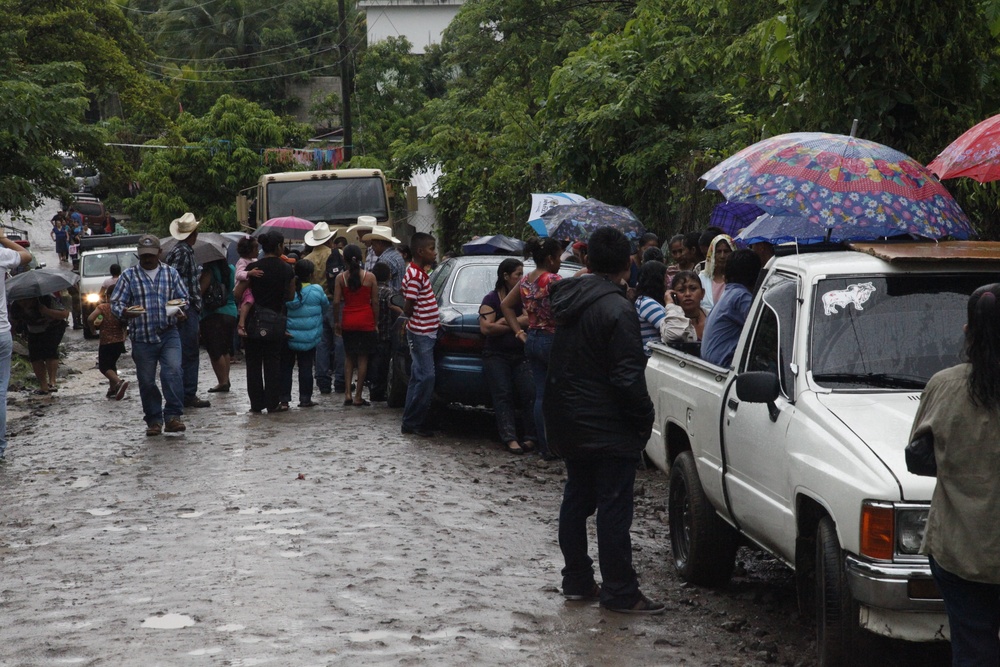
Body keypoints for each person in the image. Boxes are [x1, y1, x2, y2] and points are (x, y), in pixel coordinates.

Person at [544, 226, 664, 615]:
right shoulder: (617, 309)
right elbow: (627, 377)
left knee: (577, 498)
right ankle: (619, 591)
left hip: (569, 419)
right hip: (608, 425)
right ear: (628, 264)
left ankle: (577, 580)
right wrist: (644, 417)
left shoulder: (568, 298)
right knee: (613, 507)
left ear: (588, 261)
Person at [910, 284, 1000, 666]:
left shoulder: (944, 386)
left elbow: (917, 459)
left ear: (968, 332)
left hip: (960, 549)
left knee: (973, 647)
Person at [111, 234, 190, 436]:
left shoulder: (171, 274)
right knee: (146, 381)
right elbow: (116, 303)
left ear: (159, 254)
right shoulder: (129, 276)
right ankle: (154, 419)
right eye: (144, 255)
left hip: (168, 333)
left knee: (172, 371)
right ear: (139, 255)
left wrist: (180, 310)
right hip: (142, 336)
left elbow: (183, 299)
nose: (148, 259)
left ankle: (173, 416)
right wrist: (125, 312)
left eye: (151, 255)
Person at [501, 237, 562, 459]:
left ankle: (545, 447)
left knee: (540, 396)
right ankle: (557, 446)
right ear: (550, 258)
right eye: (558, 257)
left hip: (533, 339)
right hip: (552, 339)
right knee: (558, 396)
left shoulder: (526, 280)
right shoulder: (554, 279)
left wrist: (519, 332)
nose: (560, 261)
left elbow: (505, 305)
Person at [479, 258, 536, 455]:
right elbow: (486, 328)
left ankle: (531, 437)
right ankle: (510, 438)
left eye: (522, 274)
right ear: (505, 277)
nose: (522, 278)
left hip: (521, 355)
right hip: (496, 355)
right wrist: (513, 325)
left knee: (530, 393)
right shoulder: (491, 299)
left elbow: (530, 319)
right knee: (503, 394)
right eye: (517, 274)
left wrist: (505, 320)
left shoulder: (525, 298)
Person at [241, 231, 295, 414]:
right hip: (276, 321)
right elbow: (291, 295)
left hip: (254, 321)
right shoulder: (287, 269)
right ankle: (273, 403)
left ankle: (256, 404)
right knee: (273, 361)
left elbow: (236, 293)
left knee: (253, 362)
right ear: (279, 246)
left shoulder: (254, 267)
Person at [163, 212, 210, 409]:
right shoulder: (182, 252)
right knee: (188, 353)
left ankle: (184, 393)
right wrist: (180, 309)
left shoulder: (183, 251)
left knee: (187, 353)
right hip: (185, 309)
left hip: (186, 308)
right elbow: (173, 282)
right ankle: (186, 394)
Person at [400, 232, 439, 437]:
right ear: (420, 251)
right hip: (421, 332)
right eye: (432, 249)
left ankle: (410, 421)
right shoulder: (415, 275)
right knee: (426, 378)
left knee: (418, 378)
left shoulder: (418, 272)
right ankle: (415, 421)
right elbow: (409, 306)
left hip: (425, 331)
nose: (435, 252)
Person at [0, 234, 32, 459]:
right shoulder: (1, 255)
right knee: (0, 393)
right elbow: (28, 256)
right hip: (1, 333)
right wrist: (2, 238)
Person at [700, 249, 761, 367]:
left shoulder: (730, 293)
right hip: (724, 367)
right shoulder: (741, 297)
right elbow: (761, 329)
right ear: (756, 275)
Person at [334, 245, 379, 407]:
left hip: (348, 320)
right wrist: (375, 322)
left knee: (348, 357)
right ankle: (358, 395)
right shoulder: (370, 277)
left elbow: (336, 301)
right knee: (362, 358)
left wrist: (337, 322)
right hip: (366, 320)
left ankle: (347, 393)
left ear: (344, 259)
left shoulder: (341, 278)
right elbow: (374, 302)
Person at [281, 259, 328, 409]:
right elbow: (325, 306)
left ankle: (284, 400)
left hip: (289, 335)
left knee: (286, 368)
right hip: (309, 337)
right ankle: (305, 399)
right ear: (311, 274)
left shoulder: (289, 290)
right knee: (306, 367)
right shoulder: (317, 290)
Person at [634, 261, 695, 357]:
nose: (668, 280)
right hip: (652, 356)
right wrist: (670, 303)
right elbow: (672, 331)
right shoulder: (647, 303)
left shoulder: (649, 300)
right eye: (665, 275)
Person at [15, 293, 69, 394]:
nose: (24, 304)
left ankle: (52, 382)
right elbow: (13, 322)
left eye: (27, 301)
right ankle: (43, 385)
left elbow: (64, 314)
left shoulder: (46, 298)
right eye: (21, 301)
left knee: (50, 352)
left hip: (53, 327)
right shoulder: (15, 306)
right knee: (35, 356)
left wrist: (46, 311)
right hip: (32, 330)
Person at [199, 258, 237, 393]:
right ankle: (226, 379)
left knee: (215, 350)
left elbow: (200, 291)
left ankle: (222, 382)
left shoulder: (209, 271)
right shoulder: (232, 268)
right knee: (225, 348)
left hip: (213, 313)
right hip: (231, 312)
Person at [368, 262, 400, 402]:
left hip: (370, 332)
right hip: (386, 334)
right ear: (388, 276)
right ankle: (379, 391)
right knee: (383, 365)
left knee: (371, 362)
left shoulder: (369, 290)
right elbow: (395, 308)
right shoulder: (389, 292)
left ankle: (372, 388)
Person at [87, 294, 129, 400]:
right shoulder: (123, 308)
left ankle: (119, 382)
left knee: (103, 367)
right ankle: (113, 389)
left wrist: (93, 330)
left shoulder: (103, 307)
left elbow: (90, 318)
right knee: (111, 365)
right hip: (119, 342)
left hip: (107, 342)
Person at [363, 227, 406, 294]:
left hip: (389, 299)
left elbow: (382, 287)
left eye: (373, 245)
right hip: (398, 299)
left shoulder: (384, 260)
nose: (373, 248)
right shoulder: (397, 255)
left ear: (380, 243)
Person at [698, 234, 735, 312]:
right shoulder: (702, 277)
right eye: (718, 251)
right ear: (712, 254)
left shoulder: (738, 278)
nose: (722, 256)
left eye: (726, 251)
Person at [670, 270, 709, 340]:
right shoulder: (670, 322)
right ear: (673, 295)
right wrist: (670, 304)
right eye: (681, 290)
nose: (687, 294)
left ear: (702, 293)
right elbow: (673, 335)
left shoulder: (712, 317)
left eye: (693, 289)